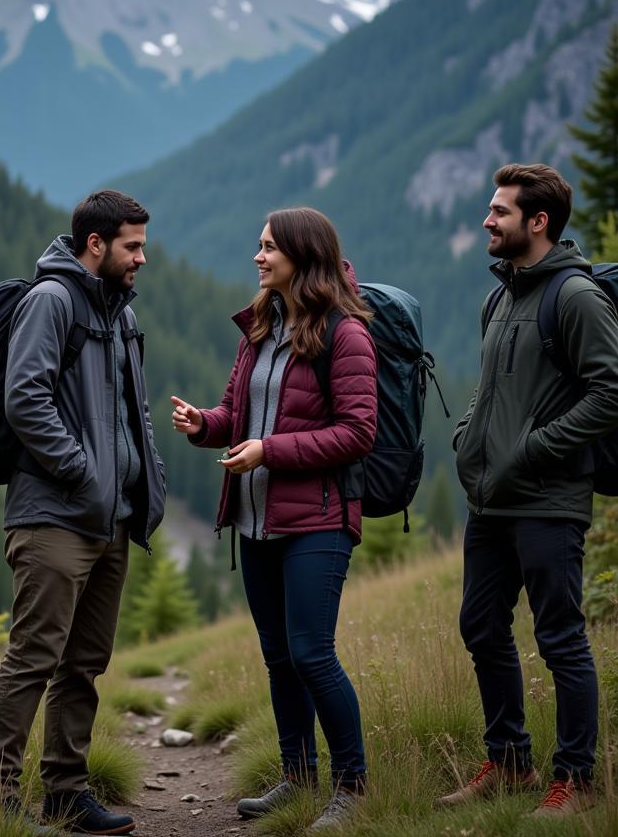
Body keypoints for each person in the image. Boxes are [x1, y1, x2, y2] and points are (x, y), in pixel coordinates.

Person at [170, 207, 377, 832]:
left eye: (269, 248)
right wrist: (206, 424)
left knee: (312, 653)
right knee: (278, 657)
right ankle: (297, 777)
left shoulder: (346, 334)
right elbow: (241, 412)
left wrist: (271, 452)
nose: (258, 258)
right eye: (258, 247)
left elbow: (358, 431)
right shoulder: (262, 326)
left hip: (318, 520)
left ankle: (353, 787)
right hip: (257, 522)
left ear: (302, 254)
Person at [0, 190, 167, 836]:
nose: (142, 257)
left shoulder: (119, 311)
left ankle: (64, 792)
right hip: (54, 516)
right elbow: (24, 399)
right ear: (96, 245)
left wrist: (147, 477)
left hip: (110, 518)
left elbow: (130, 412)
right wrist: (84, 473)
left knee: (83, 664)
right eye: (132, 246)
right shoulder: (52, 301)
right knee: (33, 658)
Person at [442, 163, 618, 817]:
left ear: (538, 221)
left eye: (499, 211)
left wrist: (534, 447)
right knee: (481, 626)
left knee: (560, 638)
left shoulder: (574, 296)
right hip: (490, 500)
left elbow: (615, 392)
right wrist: (471, 431)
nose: (488, 221)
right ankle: (510, 763)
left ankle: (574, 779)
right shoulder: (500, 296)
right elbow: (495, 387)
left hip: (548, 500)